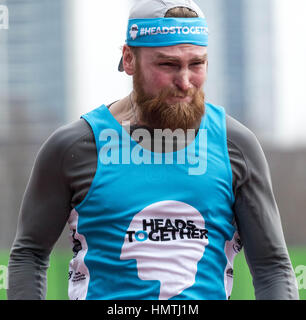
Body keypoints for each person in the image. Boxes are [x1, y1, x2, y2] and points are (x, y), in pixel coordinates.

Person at [7, 0, 299, 300]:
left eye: (196, 64)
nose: (185, 82)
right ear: (129, 59)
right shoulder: (74, 147)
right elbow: (29, 256)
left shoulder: (235, 145)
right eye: (167, 65)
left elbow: (272, 267)